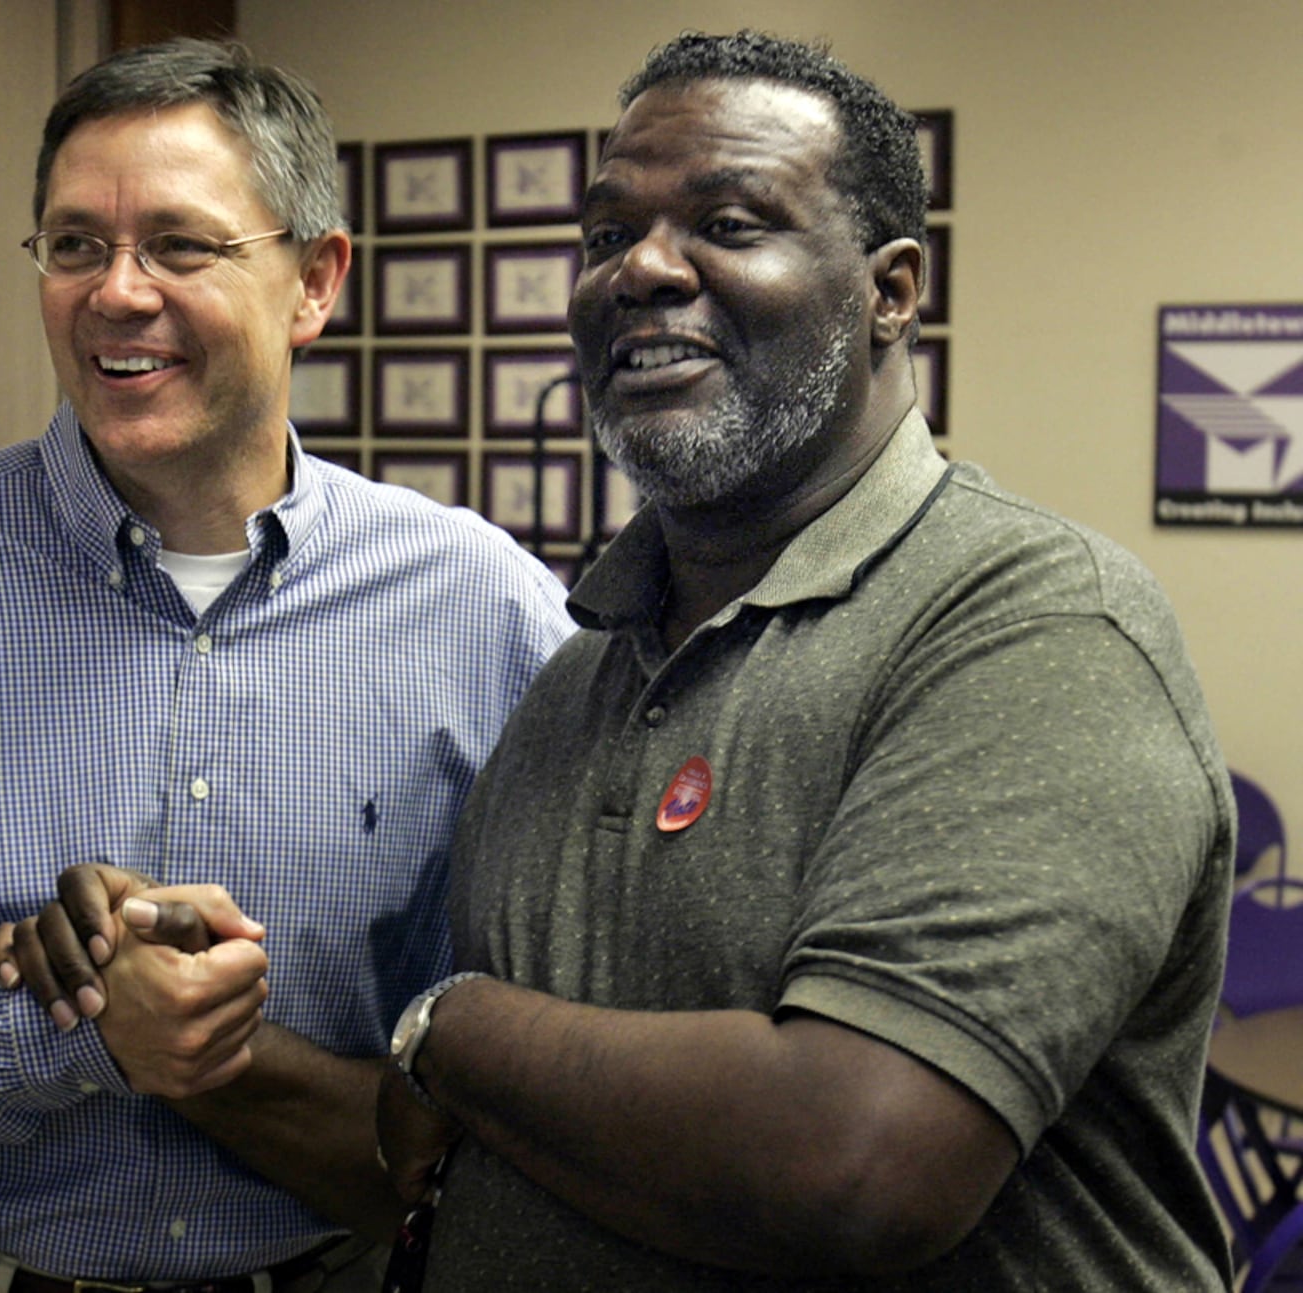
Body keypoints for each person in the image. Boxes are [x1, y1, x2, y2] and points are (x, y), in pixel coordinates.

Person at [361, 31, 1233, 1291]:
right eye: (606, 235)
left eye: (728, 219)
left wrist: (450, 1029)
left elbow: (859, 1163)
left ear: (889, 292)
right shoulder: (580, 665)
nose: (642, 270)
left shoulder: (1034, 628)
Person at [0, 37, 572, 1293]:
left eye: (180, 244)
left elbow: (530, 1018)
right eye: (73, 245)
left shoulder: (479, 605)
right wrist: (56, 1023)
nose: (116, 290)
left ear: (314, 280)